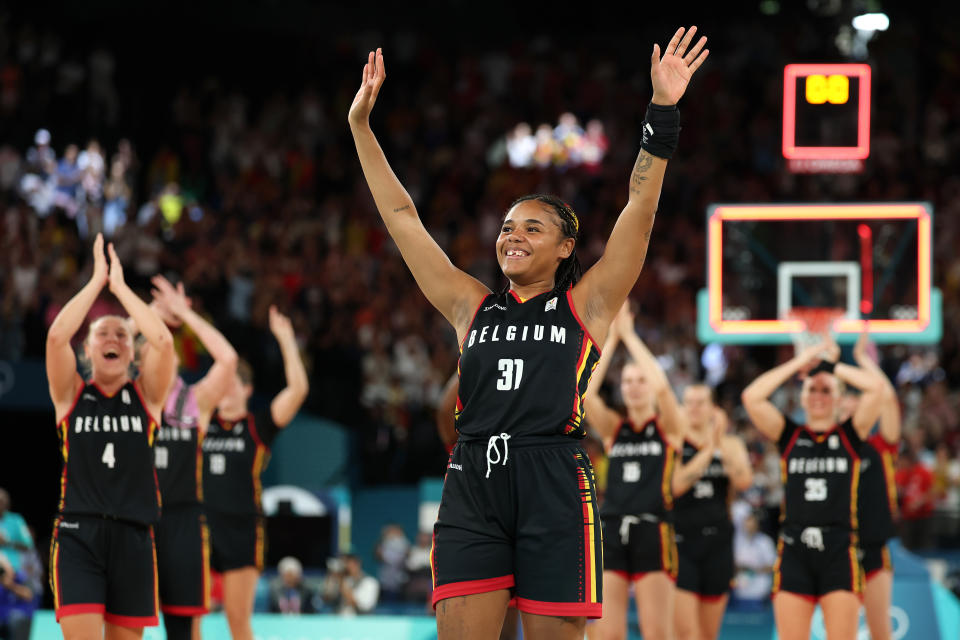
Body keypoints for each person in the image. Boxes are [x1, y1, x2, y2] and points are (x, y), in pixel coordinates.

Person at [349, 27, 708, 640]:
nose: (513, 235)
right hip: (473, 484)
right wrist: (361, 127)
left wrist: (662, 112)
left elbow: (639, 208)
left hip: (555, 483)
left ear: (567, 246)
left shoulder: (587, 304)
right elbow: (403, 218)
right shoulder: (471, 305)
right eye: (509, 225)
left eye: (533, 228)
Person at [45, 233, 176, 639]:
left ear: (132, 354)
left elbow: (164, 340)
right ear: (87, 350)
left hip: (134, 537)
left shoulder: (148, 396)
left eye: (122, 335)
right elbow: (55, 337)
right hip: (78, 535)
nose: (114, 339)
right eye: (102, 333)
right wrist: (97, 281)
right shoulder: (70, 394)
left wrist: (121, 289)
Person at [741, 338, 885, 640]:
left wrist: (830, 366)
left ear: (838, 397)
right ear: (802, 397)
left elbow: (876, 390)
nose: (819, 395)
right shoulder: (789, 435)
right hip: (795, 550)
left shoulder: (850, 435)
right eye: (812, 389)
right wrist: (800, 363)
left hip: (838, 550)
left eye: (826, 389)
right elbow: (752, 396)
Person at [202, 306, 309, 640]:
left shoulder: (257, 426)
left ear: (247, 389)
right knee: (187, 614)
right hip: (200, 527)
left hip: (242, 529)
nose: (222, 388)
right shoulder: (200, 421)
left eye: (230, 382)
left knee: (237, 620)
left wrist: (287, 340)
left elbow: (298, 391)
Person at [583, 303, 688, 640]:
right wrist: (612, 340)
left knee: (656, 632)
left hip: (653, 531)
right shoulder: (616, 429)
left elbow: (662, 389)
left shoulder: (668, 427)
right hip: (612, 529)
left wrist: (631, 337)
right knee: (607, 634)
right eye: (627, 381)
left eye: (639, 379)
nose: (633, 385)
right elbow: (585, 396)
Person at [149, 275, 238, 640]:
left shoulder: (194, 401)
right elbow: (103, 348)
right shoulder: (133, 394)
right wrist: (149, 315)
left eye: (169, 349)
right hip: (136, 517)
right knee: (123, 625)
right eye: (156, 347)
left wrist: (185, 315)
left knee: (185, 629)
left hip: (183, 521)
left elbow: (228, 358)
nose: (163, 355)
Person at [673, 386, 753, 640]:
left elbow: (743, 481)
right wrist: (709, 450)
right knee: (686, 633)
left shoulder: (730, 444)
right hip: (681, 543)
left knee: (708, 634)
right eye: (689, 402)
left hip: (718, 542)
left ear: (713, 408)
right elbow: (676, 485)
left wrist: (718, 441)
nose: (694, 408)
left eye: (700, 402)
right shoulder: (675, 442)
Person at [850, 334, 901, 640]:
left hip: (873, 547)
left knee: (880, 630)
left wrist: (864, 361)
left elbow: (888, 399)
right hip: (838, 547)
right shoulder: (831, 447)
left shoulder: (879, 446)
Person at [732, 511, 777, 604]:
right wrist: (740, 568)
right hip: (740, 588)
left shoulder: (765, 542)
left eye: (752, 524)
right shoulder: (737, 542)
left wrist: (753, 569)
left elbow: (773, 566)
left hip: (760, 587)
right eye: (747, 524)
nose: (749, 527)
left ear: (757, 525)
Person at [0, 489, 34, 577]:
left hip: (13, 569)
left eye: (1, 501)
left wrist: (7, 542)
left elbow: (28, 545)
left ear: (6, 503)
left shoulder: (16, 520)